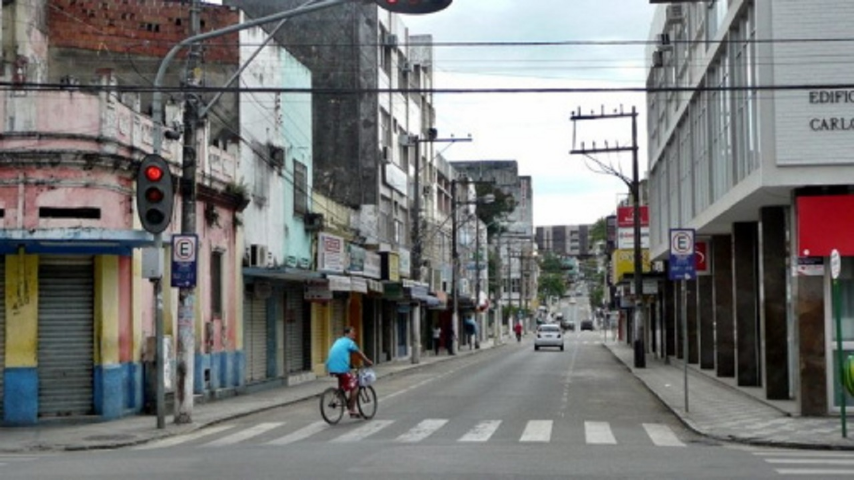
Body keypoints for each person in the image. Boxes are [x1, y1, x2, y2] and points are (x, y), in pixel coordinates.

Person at [326, 326, 373, 418]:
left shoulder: (338, 341)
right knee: (355, 387)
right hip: (341, 368)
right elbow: (359, 353)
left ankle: (340, 395)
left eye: (354, 332)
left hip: (331, 367)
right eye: (352, 332)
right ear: (346, 334)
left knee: (343, 381)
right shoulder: (350, 343)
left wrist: (350, 365)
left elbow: (341, 355)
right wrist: (367, 361)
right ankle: (352, 409)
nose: (354, 334)